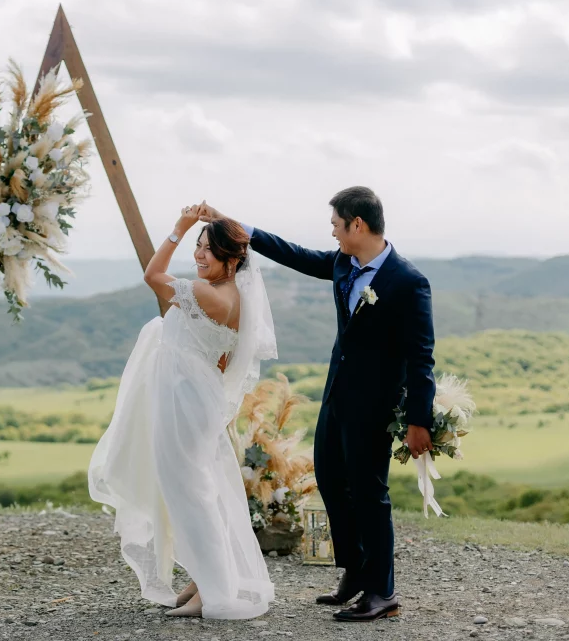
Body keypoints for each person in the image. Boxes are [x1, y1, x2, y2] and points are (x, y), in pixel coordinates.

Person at [199, 187, 436, 622]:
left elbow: (422, 357)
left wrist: (420, 419)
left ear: (357, 225)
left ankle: (382, 592)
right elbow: (293, 254)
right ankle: (355, 571)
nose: (332, 233)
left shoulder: (407, 281)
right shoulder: (343, 263)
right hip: (336, 399)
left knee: (370, 494)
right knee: (329, 481)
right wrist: (236, 227)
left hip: (375, 407)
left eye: (335, 224)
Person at [88, 204, 278, 619]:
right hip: (198, 395)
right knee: (201, 490)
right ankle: (203, 580)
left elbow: (152, 276)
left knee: (189, 494)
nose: (198, 254)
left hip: (184, 400)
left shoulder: (206, 293)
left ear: (232, 260)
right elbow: (225, 360)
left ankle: (214, 591)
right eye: (198, 245)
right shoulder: (238, 300)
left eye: (209, 250)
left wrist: (179, 227)